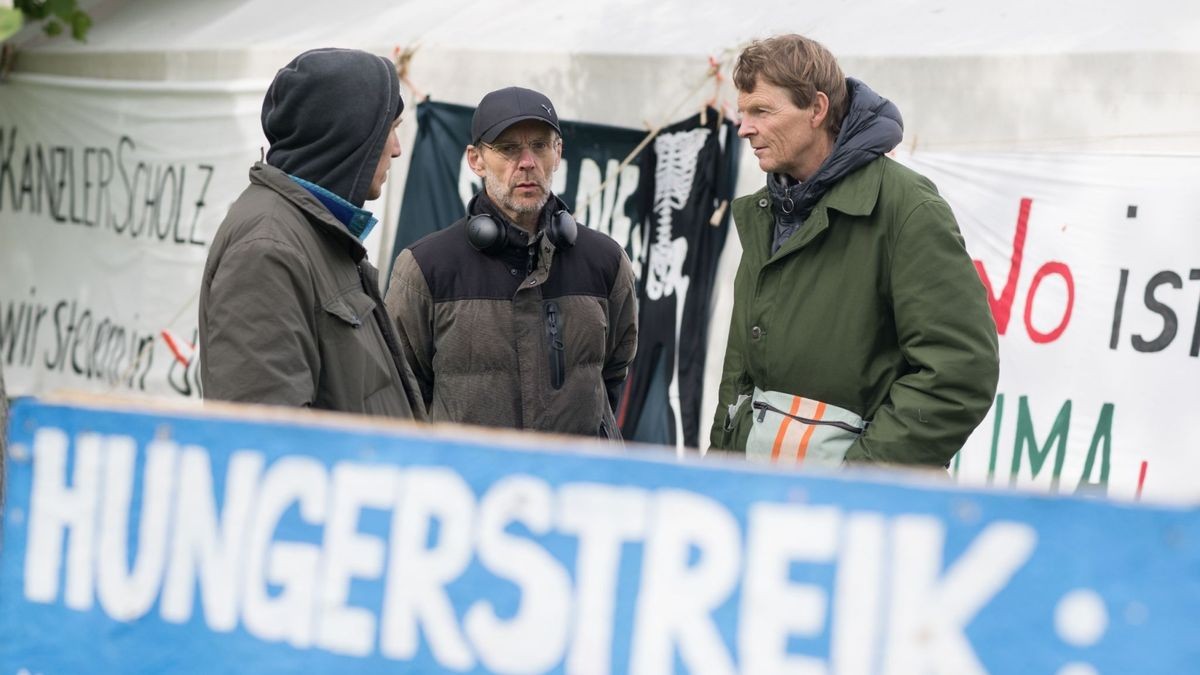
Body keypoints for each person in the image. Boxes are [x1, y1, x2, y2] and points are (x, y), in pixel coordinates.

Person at [710, 35, 999, 467]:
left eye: (762, 111)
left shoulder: (908, 209)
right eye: (744, 112)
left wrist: (859, 477)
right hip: (765, 502)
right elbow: (740, 378)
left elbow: (959, 372)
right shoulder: (765, 212)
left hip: (862, 516)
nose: (744, 127)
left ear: (817, 110)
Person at [385, 86, 637, 439]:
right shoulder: (425, 268)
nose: (527, 162)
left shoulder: (605, 260)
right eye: (508, 149)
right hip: (471, 489)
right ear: (476, 160)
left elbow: (613, 372)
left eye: (540, 145)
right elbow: (399, 391)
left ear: (558, 153)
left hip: (575, 486)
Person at [199, 48, 424, 419]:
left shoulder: (316, 230)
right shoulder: (268, 249)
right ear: (350, 135)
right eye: (391, 130)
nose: (397, 150)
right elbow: (264, 438)